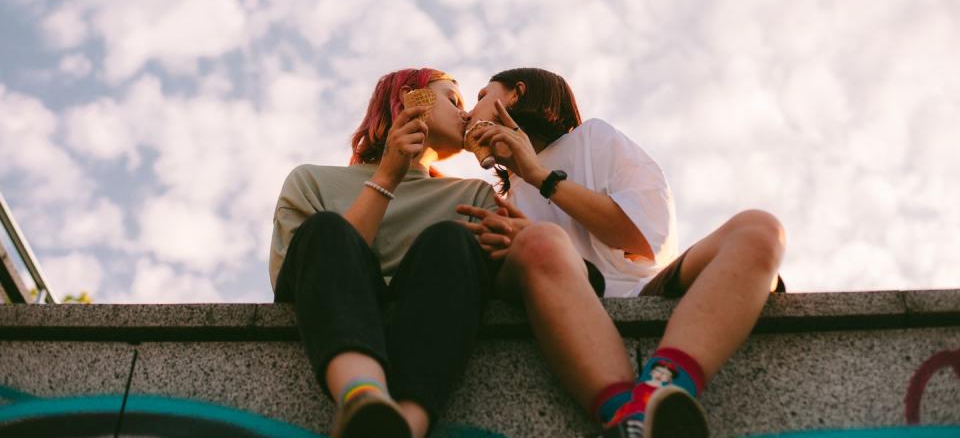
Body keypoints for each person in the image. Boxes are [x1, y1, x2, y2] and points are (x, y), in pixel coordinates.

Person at [456, 67, 786, 438]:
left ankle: (660, 390)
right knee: (539, 244)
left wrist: (540, 176)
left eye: (482, 96)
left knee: (759, 229)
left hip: (645, 288)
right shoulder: (499, 200)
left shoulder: (592, 138)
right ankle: (625, 417)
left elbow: (645, 237)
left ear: (516, 94)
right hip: (567, 302)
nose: (469, 113)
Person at [270, 68, 499, 438]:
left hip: (436, 322)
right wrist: (387, 177)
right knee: (328, 228)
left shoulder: (473, 195)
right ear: (411, 97)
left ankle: (405, 424)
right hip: (337, 319)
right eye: (454, 100)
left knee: (450, 239)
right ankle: (362, 396)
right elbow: (300, 278)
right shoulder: (311, 181)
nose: (468, 114)